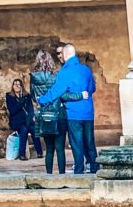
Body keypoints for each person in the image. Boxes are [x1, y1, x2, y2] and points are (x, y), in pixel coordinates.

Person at [37, 44, 97, 175]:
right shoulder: (86, 69)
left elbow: (56, 91)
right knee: (90, 143)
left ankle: (79, 172)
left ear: (65, 55)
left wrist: (41, 100)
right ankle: (94, 169)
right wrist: (83, 95)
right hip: (88, 112)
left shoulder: (65, 71)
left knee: (77, 144)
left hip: (73, 113)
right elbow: (92, 88)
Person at [30, 49, 70, 175]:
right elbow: (61, 92)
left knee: (49, 149)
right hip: (58, 113)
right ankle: (62, 174)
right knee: (60, 148)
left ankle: (49, 175)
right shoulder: (56, 75)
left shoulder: (33, 77)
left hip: (43, 115)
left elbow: (33, 95)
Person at [6, 78, 41, 161]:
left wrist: (31, 118)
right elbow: (12, 110)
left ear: (21, 86)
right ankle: (22, 154)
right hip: (16, 121)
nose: (17, 86)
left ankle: (39, 152)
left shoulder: (26, 96)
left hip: (27, 120)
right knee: (24, 129)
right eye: (15, 84)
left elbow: (30, 109)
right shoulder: (9, 96)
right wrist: (20, 103)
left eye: (19, 84)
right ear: (12, 86)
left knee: (33, 129)